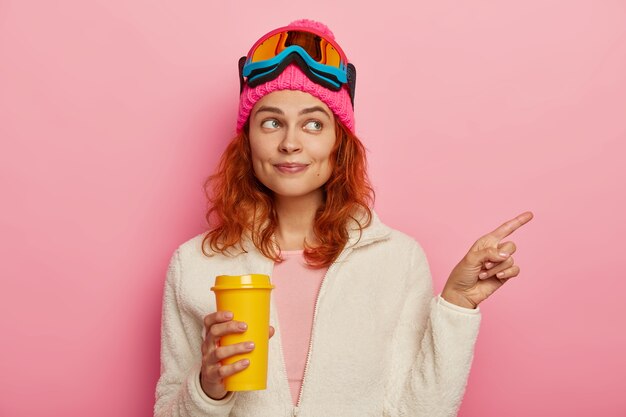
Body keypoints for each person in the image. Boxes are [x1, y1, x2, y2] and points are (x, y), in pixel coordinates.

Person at [154, 19, 533, 417]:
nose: (290, 143)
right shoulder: (194, 265)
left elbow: (420, 411)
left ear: (340, 142)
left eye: (314, 123)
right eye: (271, 122)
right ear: (247, 139)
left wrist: (457, 303)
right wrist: (207, 388)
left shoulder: (397, 260)